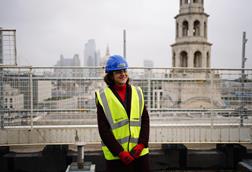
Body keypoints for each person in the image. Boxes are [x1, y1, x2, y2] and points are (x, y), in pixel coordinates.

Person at [95, 55, 151, 172]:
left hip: (139, 153)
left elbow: (145, 120)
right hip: (117, 156)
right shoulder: (103, 97)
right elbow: (104, 130)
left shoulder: (137, 92)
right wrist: (120, 152)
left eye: (124, 70)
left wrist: (141, 145)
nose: (123, 74)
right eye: (118, 72)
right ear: (111, 75)